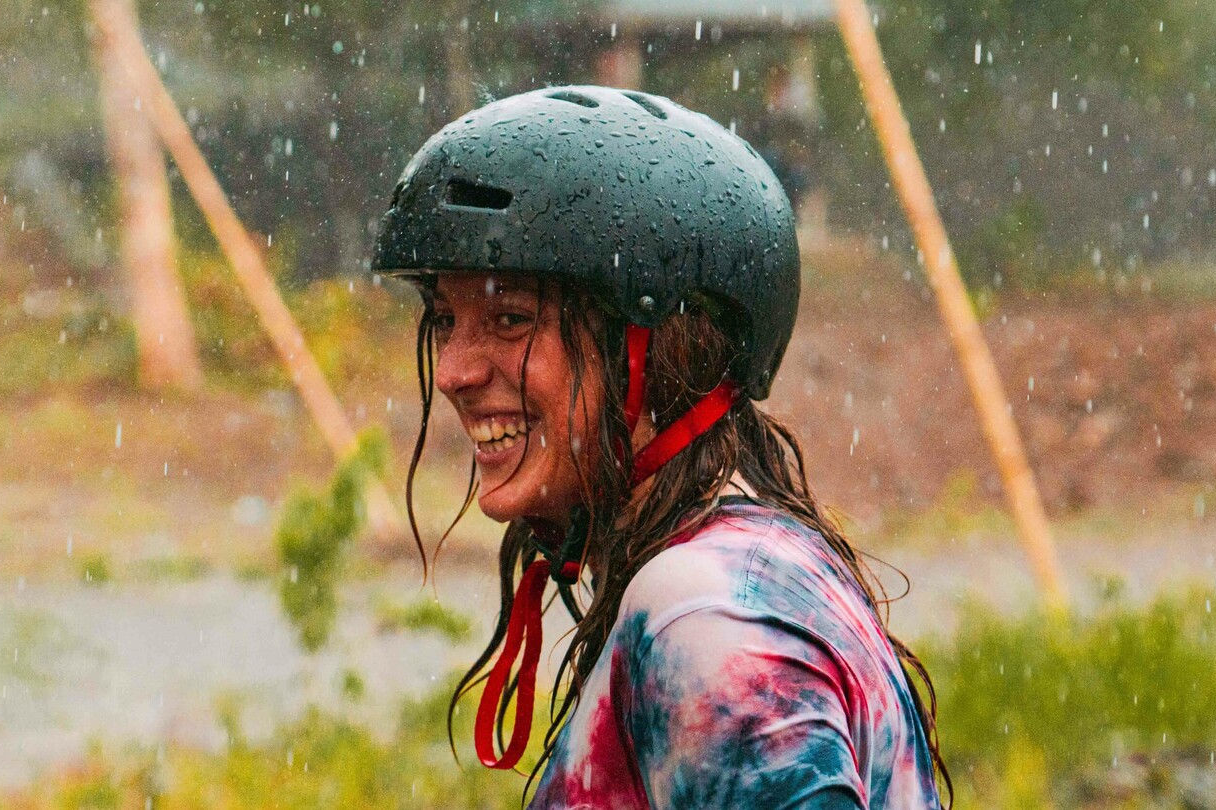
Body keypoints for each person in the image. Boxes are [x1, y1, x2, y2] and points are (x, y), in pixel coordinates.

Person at [372, 85, 948, 809]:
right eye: (446, 319)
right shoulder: (745, 569)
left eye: (511, 317)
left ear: (658, 347)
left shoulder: (705, 617)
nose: (455, 371)